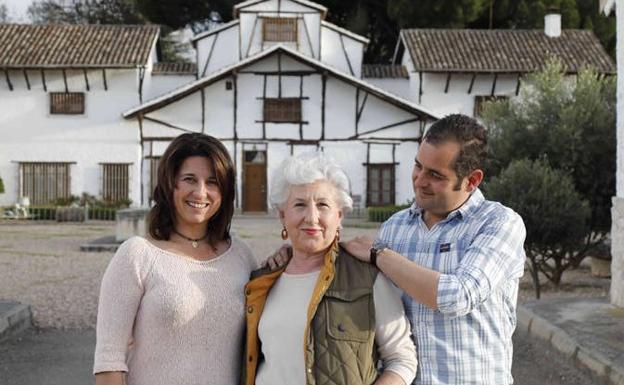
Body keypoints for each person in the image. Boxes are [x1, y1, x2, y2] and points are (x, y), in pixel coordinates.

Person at [343, 114, 526, 385]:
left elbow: (457, 296)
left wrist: (380, 255)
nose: (419, 180)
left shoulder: (499, 224)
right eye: (418, 166)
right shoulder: (394, 228)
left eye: (435, 175)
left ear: (472, 180)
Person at [93, 133, 257, 385]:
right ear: (170, 184)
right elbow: (109, 360)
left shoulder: (242, 256)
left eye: (213, 182)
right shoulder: (138, 254)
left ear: (224, 191)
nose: (201, 192)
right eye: (189, 179)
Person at [242, 152, 418, 385]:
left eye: (323, 205)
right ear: (283, 215)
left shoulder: (367, 277)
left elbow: (402, 359)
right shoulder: (262, 280)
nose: (312, 218)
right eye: (300, 205)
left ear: (340, 215)